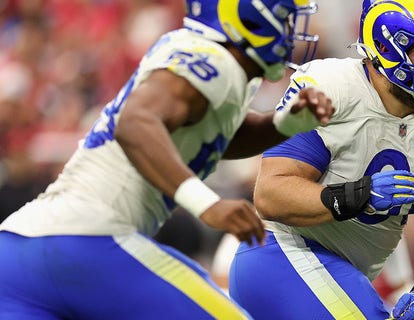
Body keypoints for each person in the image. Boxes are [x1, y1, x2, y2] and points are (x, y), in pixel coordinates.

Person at [0, 0, 334, 319]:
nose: (291, 31)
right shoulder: (215, 62)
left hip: (19, 251)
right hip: (87, 241)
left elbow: (217, 137)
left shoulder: (203, 57)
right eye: (286, 18)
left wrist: (285, 124)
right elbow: (135, 124)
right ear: (250, 18)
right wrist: (207, 204)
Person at [228, 0, 414, 319]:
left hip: (346, 275)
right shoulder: (334, 91)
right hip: (282, 252)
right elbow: (270, 194)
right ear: (387, 47)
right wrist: (359, 195)